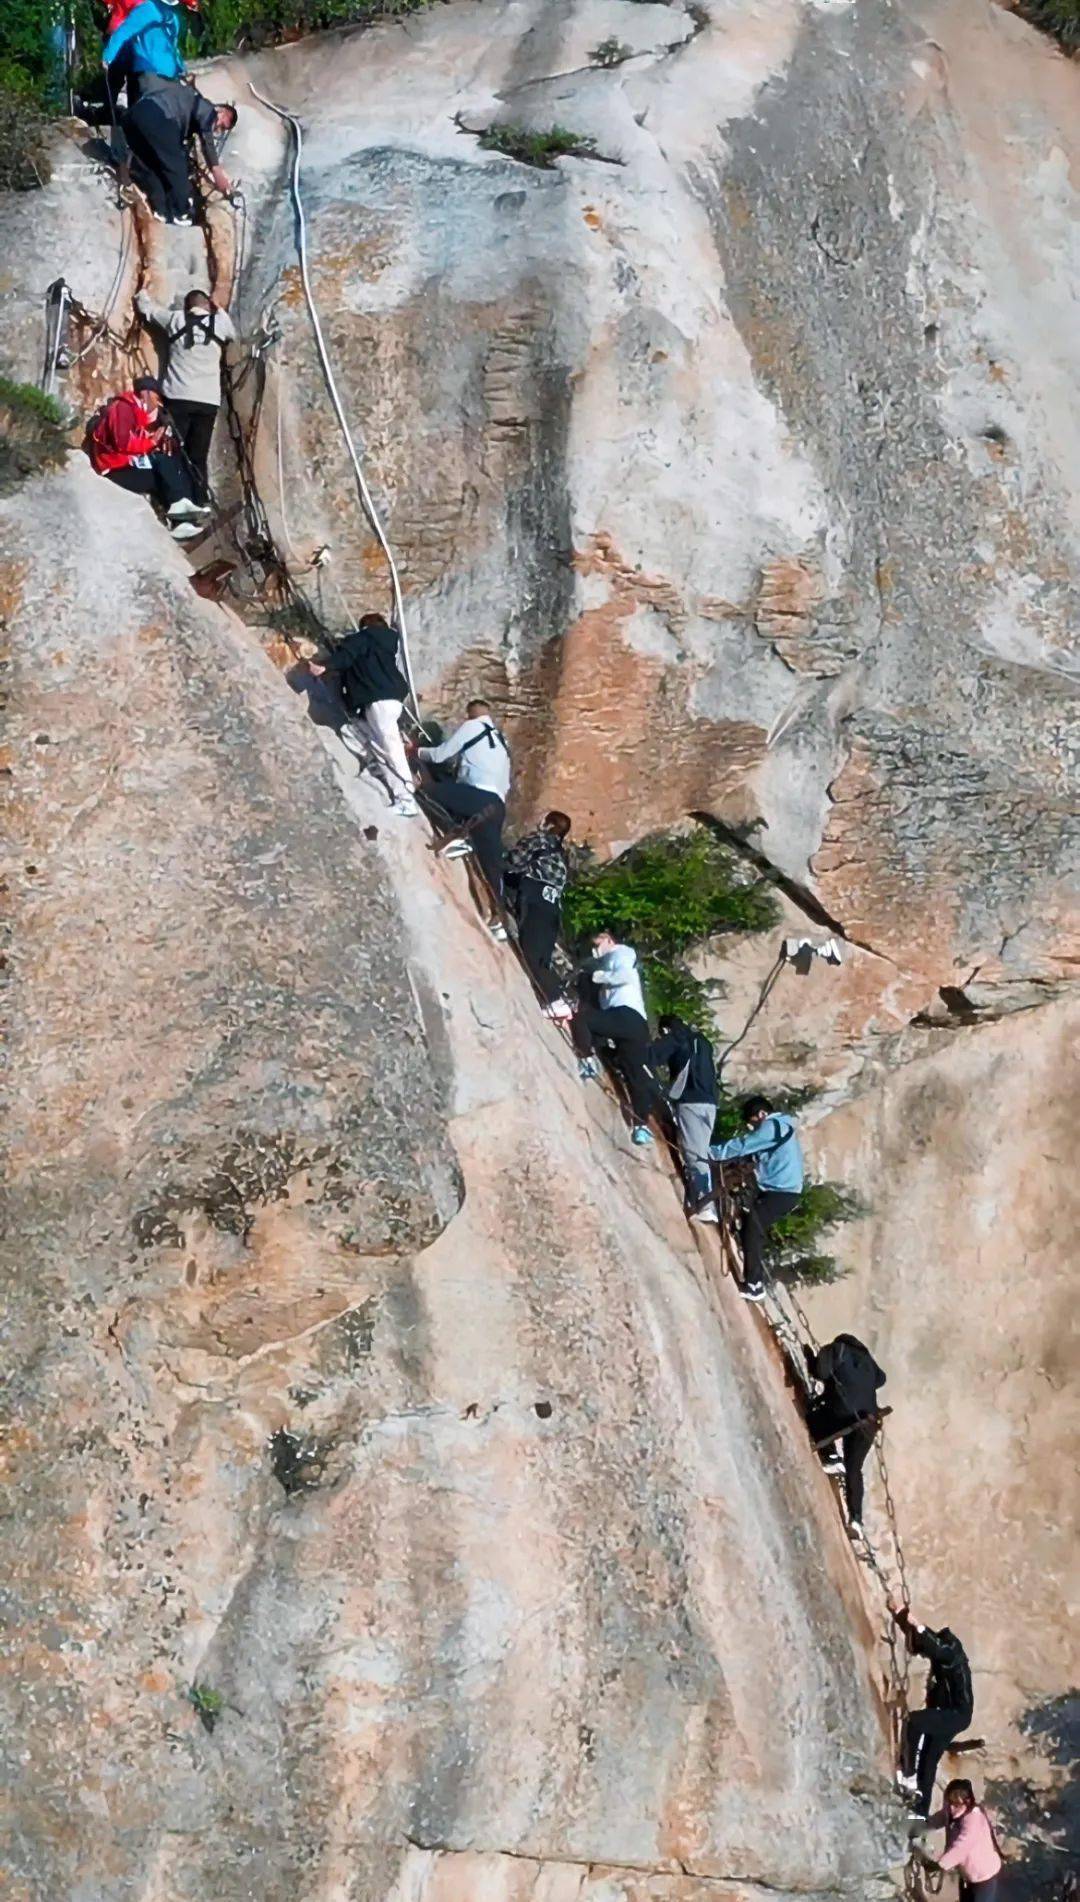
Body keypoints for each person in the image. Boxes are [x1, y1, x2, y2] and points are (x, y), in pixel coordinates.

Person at [415, 701, 511, 938]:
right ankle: (501, 922)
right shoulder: (501, 741)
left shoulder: (472, 727)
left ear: (470, 714)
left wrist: (416, 751)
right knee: (491, 864)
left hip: (476, 796)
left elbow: (438, 756)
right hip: (497, 807)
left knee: (426, 791)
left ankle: (460, 835)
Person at [308, 614, 418, 817]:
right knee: (357, 732)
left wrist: (324, 666)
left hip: (378, 700)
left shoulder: (364, 638)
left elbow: (347, 655)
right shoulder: (389, 643)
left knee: (390, 747)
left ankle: (406, 799)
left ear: (364, 627)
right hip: (392, 699)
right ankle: (378, 767)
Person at [135, 288, 235, 503]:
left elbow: (147, 310)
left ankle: (178, 500)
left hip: (178, 397)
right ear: (206, 305)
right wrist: (218, 309)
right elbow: (232, 334)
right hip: (207, 401)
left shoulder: (176, 319)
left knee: (174, 451)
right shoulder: (220, 322)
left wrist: (142, 291)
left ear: (187, 306)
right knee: (199, 454)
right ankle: (200, 499)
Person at [709, 1095, 804, 1301]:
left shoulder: (771, 1126)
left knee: (753, 1227)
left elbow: (745, 1144)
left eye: (752, 1123)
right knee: (752, 1224)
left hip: (781, 1193)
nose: (752, 1128)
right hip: (781, 1191)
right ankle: (753, 1278)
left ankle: (755, 1285)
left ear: (762, 1114)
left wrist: (712, 1153)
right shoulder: (783, 1126)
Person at [88, 376, 206, 539]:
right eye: (157, 398)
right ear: (147, 393)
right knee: (163, 463)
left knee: (168, 469)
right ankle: (179, 508)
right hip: (114, 471)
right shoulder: (123, 408)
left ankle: (181, 519)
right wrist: (151, 442)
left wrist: (155, 441)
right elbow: (123, 443)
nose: (158, 404)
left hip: (124, 466)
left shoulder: (134, 413)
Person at [571, 930, 657, 1146]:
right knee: (635, 1074)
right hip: (637, 1025)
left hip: (624, 1014)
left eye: (598, 941)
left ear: (609, 940)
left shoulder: (620, 954)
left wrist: (600, 977)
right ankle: (641, 1125)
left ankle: (588, 1060)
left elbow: (625, 975)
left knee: (583, 1019)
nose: (595, 947)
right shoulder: (609, 959)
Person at [890, 1605, 975, 1818]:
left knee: (914, 1722)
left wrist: (909, 1616)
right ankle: (919, 1815)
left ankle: (908, 1774)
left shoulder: (951, 1652)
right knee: (928, 1761)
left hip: (955, 1714)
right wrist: (900, 1619)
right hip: (951, 1715)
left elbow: (931, 1644)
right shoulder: (942, 1650)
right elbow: (923, 1640)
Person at [803, 1334, 886, 1543]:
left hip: (843, 1412)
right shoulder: (868, 1363)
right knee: (854, 1467)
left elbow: (819, 1372)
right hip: (869, 1419)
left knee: (814, 1417)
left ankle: (830, 1456)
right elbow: (881, 1379)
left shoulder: (837, 1350)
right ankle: (856, 1520)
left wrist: (811, 1359)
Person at [124, 81, 235, 226]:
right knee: (177, 166)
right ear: (221, 111)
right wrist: (216, 171)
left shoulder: (188, 100)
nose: (217, 129)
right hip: (158, 115)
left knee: (153, 165)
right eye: (221, 125)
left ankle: (161, 209)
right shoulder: (207, 109)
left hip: (134, 116)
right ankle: (181, 212)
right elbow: (206, 136)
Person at [649, 1013, 718, 1218]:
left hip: (691, 1101)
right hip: (710, 1103)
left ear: (666, 1029)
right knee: (700, 1151)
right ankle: (701, 1196)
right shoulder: (702, 1042)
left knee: (693, 1153)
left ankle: (706, 1205)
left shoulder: (677, 1037)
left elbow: (654, 1056)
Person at [503, 811, 572, 1002]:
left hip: (534, 900)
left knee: (529, 958)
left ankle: (555, 999)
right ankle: (558, 996)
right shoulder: (563, 855)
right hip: (552, 910)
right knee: (542, 961)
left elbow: (513, 861)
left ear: (549, 825)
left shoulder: (539, 840)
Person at [916, 1780, 1003, 1901]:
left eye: (957, 1801)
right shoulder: (951, 1812)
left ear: (966, 1800)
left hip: (983, 1877)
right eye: (951, 1799)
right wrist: (919, 1826)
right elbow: (939, 1818)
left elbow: (963, 1845)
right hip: (966, 1875)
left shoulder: (973, 1818)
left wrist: (940, 1865)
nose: (952, 1805)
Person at [102, 0, 184, 108]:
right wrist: (180, 67)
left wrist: (107, 57)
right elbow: (173, 45)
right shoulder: (172, 13)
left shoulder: (148, 8)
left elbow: (123, 32)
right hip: (169, 71)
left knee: (143, 109)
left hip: (149, 69)